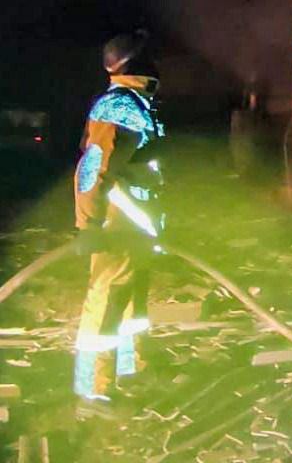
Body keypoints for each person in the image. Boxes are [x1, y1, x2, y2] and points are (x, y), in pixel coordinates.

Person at [73, 30, 165, 412]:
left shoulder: (138, 103)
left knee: (130, 306)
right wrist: (89, 225)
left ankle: (128, 369)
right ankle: (92, 390)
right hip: (116, 224)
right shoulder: (120, 106)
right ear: (138, 63)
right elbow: (94, 168)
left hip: (134, 226)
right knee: (107, 303)